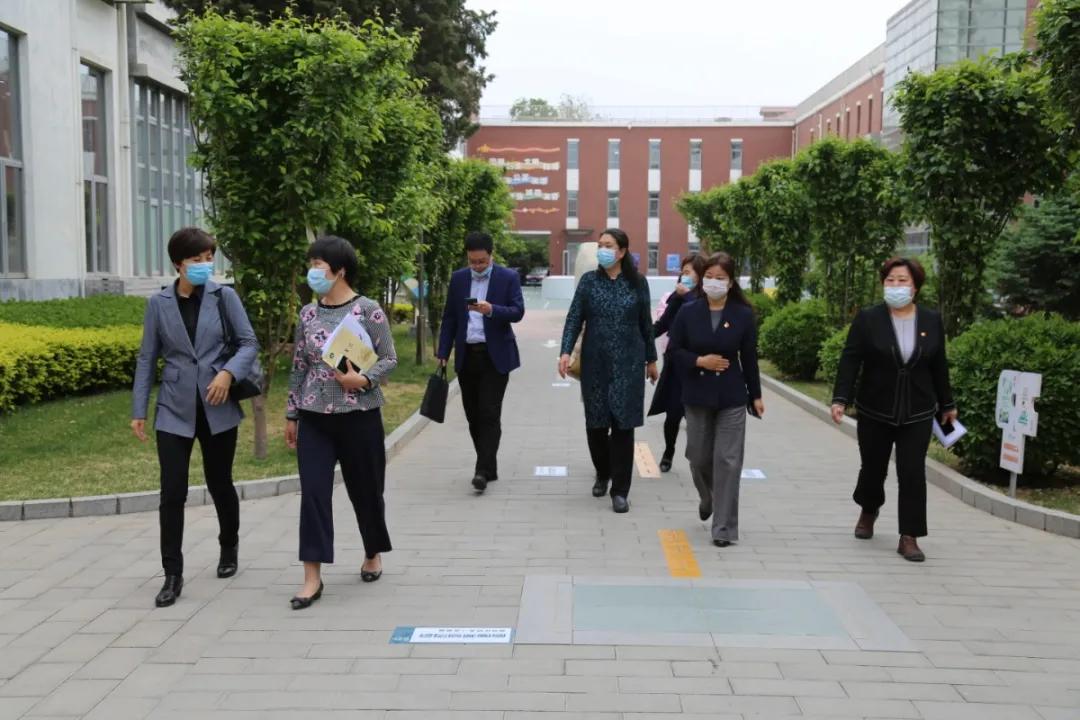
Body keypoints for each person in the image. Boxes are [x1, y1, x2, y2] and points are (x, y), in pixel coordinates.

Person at [131, 227, 259, 608]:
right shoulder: (158, 304)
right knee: (172, 492)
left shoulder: (225, 297)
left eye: (209, 259)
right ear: (178, 264)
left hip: (217, 405)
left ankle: (228, 547)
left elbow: (249, 342)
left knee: (220, 482)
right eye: (197, 260)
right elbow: (146, 358)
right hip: (173, 408)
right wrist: (138, 409)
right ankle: (172, 573)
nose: (206, 266)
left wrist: (227, 373)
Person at [284, 236, 398, 609]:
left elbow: (389, 358)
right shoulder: (307, 314)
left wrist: (362, 380)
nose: (312, 272)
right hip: (315, 418)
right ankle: (311, 577)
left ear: (340, 270)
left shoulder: (369, 310)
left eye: (319, 265)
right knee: (314, 494)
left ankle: (372, 552)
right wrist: (291, 413)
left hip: (360, 416)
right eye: (311, 264)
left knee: (366, 492)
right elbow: (299, 365)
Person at [831, 257, 957, 562]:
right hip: (875, 407)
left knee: (912, 472)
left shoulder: (930, 320)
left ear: (915, 286)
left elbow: (938, 364)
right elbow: (851, 360)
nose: (896, 286)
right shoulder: (868, 318)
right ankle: (869, 509)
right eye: (890, 280)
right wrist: (840, 399)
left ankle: (909, 536)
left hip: (918, 410)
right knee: (873, 468)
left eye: (902, 281)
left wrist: (948, 404)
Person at [558, 228, 659, 513]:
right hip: (595, 363)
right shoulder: (589, 282)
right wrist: (565, 352)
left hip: (629, 363)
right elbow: (574, 318)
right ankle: (603, 472)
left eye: (608, 245)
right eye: (600, 245)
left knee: (624, 426)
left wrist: (651, 360)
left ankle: (621, 491)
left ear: (622, 251)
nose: (602, 249)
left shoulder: (637, 283)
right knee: (597, 424)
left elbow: (645, 323)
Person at [667, 252, 763, 547]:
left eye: (720, 278)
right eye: (708, 277)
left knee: (728, 461)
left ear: (731, 282)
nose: (713, 282)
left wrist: (755, 395)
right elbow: (674, 351)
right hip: (696, 394)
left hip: (731, 396)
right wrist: (699, 361)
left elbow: (749, 358)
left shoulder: (743, 315)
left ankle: (723, 528)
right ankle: (707, 497)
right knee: (697, 457)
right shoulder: (689, 311)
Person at [436, 231, 526, 494]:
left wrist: (492, 310)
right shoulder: (459, 279)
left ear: (491, 256)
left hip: (495, 356)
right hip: (467, 355)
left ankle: (481, 470)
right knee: (473, 415)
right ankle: (489, 464)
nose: (477, 267)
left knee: (489, 412)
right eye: (472, 261)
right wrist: (443, 350)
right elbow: (450, 317)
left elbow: (518, 312)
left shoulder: (508, 278)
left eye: (482, 261)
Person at [648, 254, 706, 472]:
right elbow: (663, 324)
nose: (684, 275)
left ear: (700, 276)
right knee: (672, 413)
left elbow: (700, 319)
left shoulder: (704, 299)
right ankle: (668, 451)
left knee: (696, 417)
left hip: (698, 366)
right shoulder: (676, 296)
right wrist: (642, 338)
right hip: (675, 364)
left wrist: (687, 296)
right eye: (683, 271)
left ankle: (697, 455)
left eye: (689, 271)